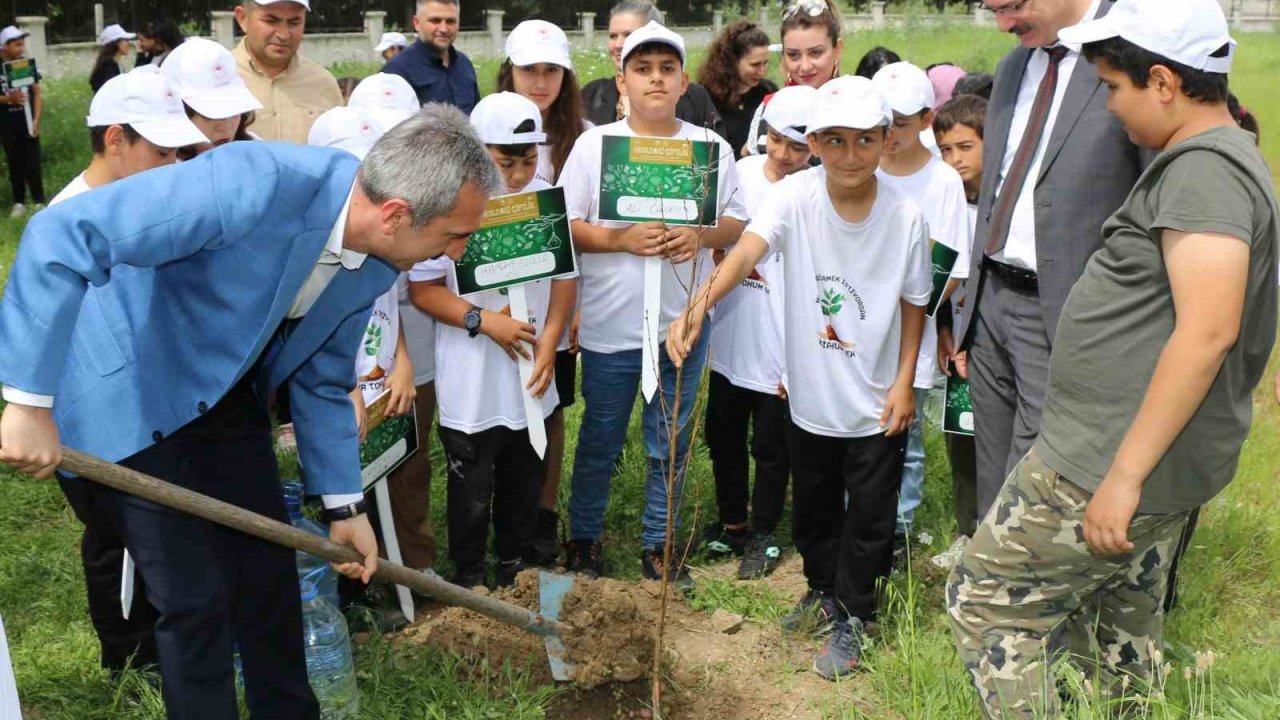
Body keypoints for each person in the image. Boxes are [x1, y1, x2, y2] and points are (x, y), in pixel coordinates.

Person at [0, 105, 500, 720]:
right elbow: (62, 234)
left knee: (267, 578)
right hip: (127, 387)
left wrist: (344, 505)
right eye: (454, 234)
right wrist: (28, 402)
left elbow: (321, 378)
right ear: (396, 213)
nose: (459, 251)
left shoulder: (375, 260)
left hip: (220, 388)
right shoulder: (254, 180)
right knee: (195, 599)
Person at [949, 0, 1279, 716]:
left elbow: (1208, 332)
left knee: (984, 599)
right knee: (1120, 631)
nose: (1107, 104)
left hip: (1104, 458)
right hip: (1132, 447)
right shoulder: (1210, 162)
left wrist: (1124, 479)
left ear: (1162, 82)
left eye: (1112, 87)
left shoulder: (1203, 175)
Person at [668, 75, 929, 679]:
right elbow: (746, 251)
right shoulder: (796, 197)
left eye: (865, 140)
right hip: (809, 395)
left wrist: (904, 382)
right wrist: (699, 303)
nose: (850, 156)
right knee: (813, 507)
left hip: (873, 402)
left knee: (869, 515)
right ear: (814, 142)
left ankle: (856, 615)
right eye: (834, 141)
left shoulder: (905, 216)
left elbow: (916, 301)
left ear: (886, 140)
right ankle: (821, 588)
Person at [560, 22, 747, 582]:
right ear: (623, 81)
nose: (656, 80)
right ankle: (584, 539)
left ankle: (658, 543)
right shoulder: (595, 147)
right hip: (612, 326)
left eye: (667, 70)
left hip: (680, 325)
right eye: (643, 70)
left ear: (684, 79)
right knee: (600, 436)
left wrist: (701, 234)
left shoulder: (707, 148)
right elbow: (565, 225)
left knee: (669, 441)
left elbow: (738, 220)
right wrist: (617, 238)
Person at [954, 0, 1148, 522]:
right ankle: (995, 589)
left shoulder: (1133, 44)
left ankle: (1034, 593)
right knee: (993, 469)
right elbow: (995, 187)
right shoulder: (1017, 63)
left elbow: (1155, 200)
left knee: (1045, 480)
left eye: (1012, 6)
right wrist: (972, 307)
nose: (1002, 24)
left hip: (1067, 311)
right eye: (991, 9)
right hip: (991, 300)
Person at [49, 68, 209, 681]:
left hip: (156, 409)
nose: (174, 165)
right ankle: (127, 655)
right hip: (96, 425)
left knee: (157, 542)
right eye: (162, 151)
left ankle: (154, 643)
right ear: (115, 139)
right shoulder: (65, 227)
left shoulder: (149, 207)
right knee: (114, 538)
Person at [411, 92, 576, 588]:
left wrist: (551, 338)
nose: (520, 174)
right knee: (471, 481)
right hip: (473, 376)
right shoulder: (447, 204)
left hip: (530, 368)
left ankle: (515, 562)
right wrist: (484, 321)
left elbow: (565, 277)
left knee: (525, 470)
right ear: (477, 153)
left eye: (529, 160)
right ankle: (469, 572)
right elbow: (423, 289)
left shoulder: (544, 198)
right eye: (506, 162)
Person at [700, 85, 815, 579]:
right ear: (762, 134)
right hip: (730, 337)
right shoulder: (740, 176)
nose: (785, 155)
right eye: (776, 140)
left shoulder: (816, 192)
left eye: (798, 145)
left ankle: (765, 533)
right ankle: (734, 524)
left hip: (781, 348)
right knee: (722, 434)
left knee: (771, 447)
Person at [494, 19, 590, 564]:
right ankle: (504, 519)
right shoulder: (482, 134)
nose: (541, 80)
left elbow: (581, 229)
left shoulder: (583, 137)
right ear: (510, 70)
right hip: (495, 309)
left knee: (550, 401)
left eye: (552, 69)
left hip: (558, 301)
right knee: (500, 416)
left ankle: (543, 512)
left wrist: (572, 309)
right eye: (530, 69)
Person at [871, 61, 972, 552]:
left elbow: (950, 268)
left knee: (904, 436)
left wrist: (903, 309)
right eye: (882, 125)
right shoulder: (860, 168)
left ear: (927, 120)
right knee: (859, 427)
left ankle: (899, 530)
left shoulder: (942, 182)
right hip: (855, 325)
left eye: (902, 126)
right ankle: (861, 515)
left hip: (912, 327)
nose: (889, 137)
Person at [346, 71, 442, 577]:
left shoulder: (423, 192)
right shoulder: (347, 217)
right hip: (351, 376)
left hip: (404, 355)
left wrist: (402, 361)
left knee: (406, 462)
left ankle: (413, 568)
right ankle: (362, 577)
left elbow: (396, 298)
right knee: (349, 475)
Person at [929, 92, 987, 570]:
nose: (955, 160)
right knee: (962, 438)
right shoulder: (946, 203)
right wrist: (947, 335)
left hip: (998, 344)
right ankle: (969, 532)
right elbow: (939, 278)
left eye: (965, 147)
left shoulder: (1005, 206)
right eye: (945, 150)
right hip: (957, 348)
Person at [580, 0, 725, 138]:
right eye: (613, 36)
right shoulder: (592, 94)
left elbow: (713, 154)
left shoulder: (695, 98)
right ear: (622, 83)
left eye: (629, 35)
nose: (618, 44)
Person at [742, 0, 844, 155]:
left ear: (837, 49)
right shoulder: (768, 109)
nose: (805, 66)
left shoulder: (857, 106)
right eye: (793, 55)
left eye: (815, 53)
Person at [233, 0, 343, 143]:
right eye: (271, 21)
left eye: (293, 23)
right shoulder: (221, 79)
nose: (283, 35)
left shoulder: (323, 83)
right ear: (242, 18)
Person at [163, 37, 263, 158]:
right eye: (209, 116)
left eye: (234, 113)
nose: (225, 126)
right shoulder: (161, 169)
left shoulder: (258, 154)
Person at [382, 0, 479, 114]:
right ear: (417, 23)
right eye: (435, 21)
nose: (443, 29)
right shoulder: (397, 71)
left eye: (450, 21)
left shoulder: (464, 64)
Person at [697, 20, 776, 158]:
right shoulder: (706, 97)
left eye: (765, 63)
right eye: (755, 65)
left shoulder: (768, 93)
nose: (762, 71)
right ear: (732, 61)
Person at [0, 26, 44, 218]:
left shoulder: (25, 65)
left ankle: (39, 201)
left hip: (27, 121)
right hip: (7, 124)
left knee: (33, 162)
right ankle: (19, 202)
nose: (21, 49)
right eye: (17, 45)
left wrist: (36, 119)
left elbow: (36, 91)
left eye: (22, 44)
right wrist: (8, 100)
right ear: (4, 47)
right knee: (15, 162)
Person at [90, 25, 137, 93]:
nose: (128, 43)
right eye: (126, 40)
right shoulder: (109, 66)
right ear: (117, 43)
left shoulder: (116, 63)